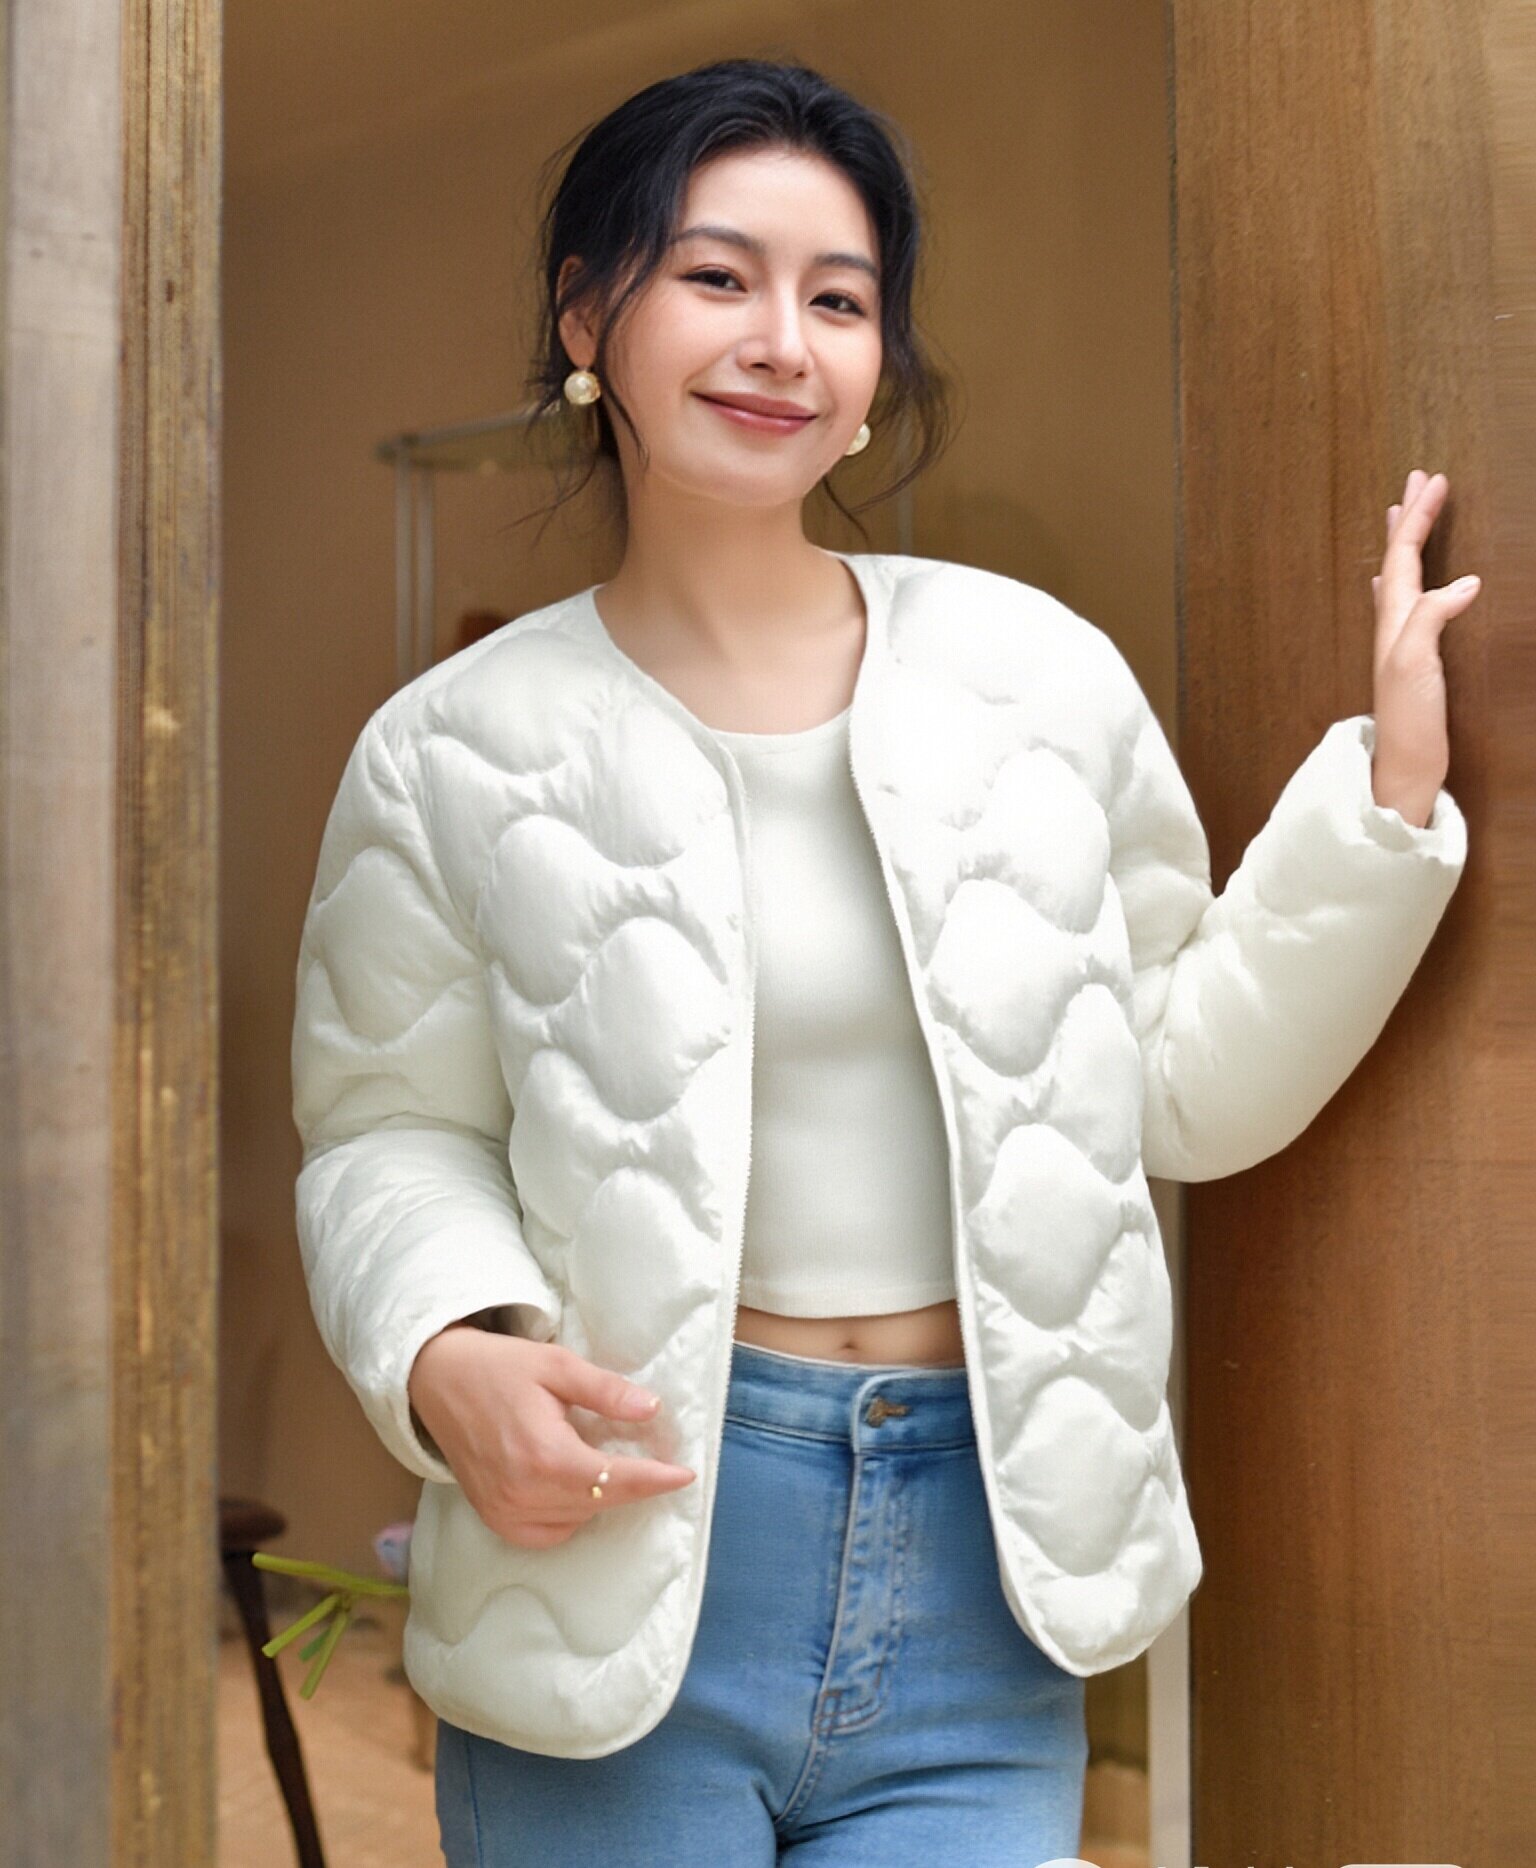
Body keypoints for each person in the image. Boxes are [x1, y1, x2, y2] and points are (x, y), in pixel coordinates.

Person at [289, 56, 1476, 1868]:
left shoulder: (1037, 674)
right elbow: (387, 1132)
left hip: (985, 1564)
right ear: (588, 317)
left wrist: (1385, 803)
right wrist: (448, 1349)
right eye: (718, 276)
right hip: (627, 1547)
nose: (783, 342)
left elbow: (1178, 1084)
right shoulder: (452, 746)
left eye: (839, 302)